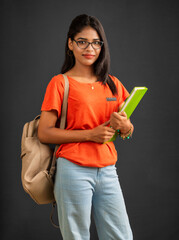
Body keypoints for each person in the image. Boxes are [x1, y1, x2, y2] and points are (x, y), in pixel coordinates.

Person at [38, 14, 134, 240]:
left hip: (108, 169)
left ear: (102, 45)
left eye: (96, 42)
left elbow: (127, 131)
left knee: (121, 236)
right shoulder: (60, 83)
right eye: (82, 41)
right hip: (73, 169)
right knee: (76, 236)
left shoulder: (112, 83)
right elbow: (44, 132)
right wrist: (90, 134)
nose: (89, 48)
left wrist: (126, 126)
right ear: (70, 44)